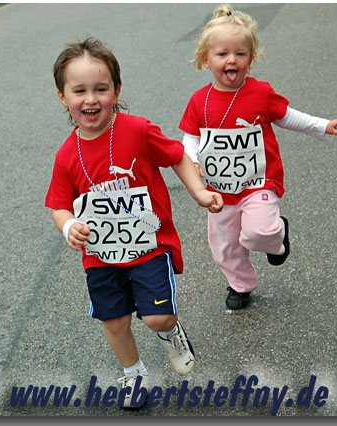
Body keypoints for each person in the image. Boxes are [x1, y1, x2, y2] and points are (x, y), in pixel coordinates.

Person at [45, 37, 223, 407]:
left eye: (101, 89)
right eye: (79, 91)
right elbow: (59, 206)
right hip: (101, 256)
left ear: (116, 90)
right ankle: (133, 374)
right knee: (115, 322)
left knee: (157, 318)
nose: (90, 99)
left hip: (148, 246)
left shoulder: (137, 130)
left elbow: (176, 155)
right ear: (63, 97)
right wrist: (67, 227)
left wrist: (199, 192)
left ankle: (171, 332)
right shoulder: (66, 155)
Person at [179, 4, 337, 310]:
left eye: (240, 53)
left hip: (259, 182)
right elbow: (191, 138)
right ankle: (240, 285)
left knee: (259, 232)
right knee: (226, 246)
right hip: (219, 191)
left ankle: (278, 235)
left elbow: (289, 116)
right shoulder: (200, 101)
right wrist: (192, 160)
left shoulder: (260, 93)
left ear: (251, 58)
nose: (231, 60)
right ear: (206, 60)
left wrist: (323, 126)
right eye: (222, 54)